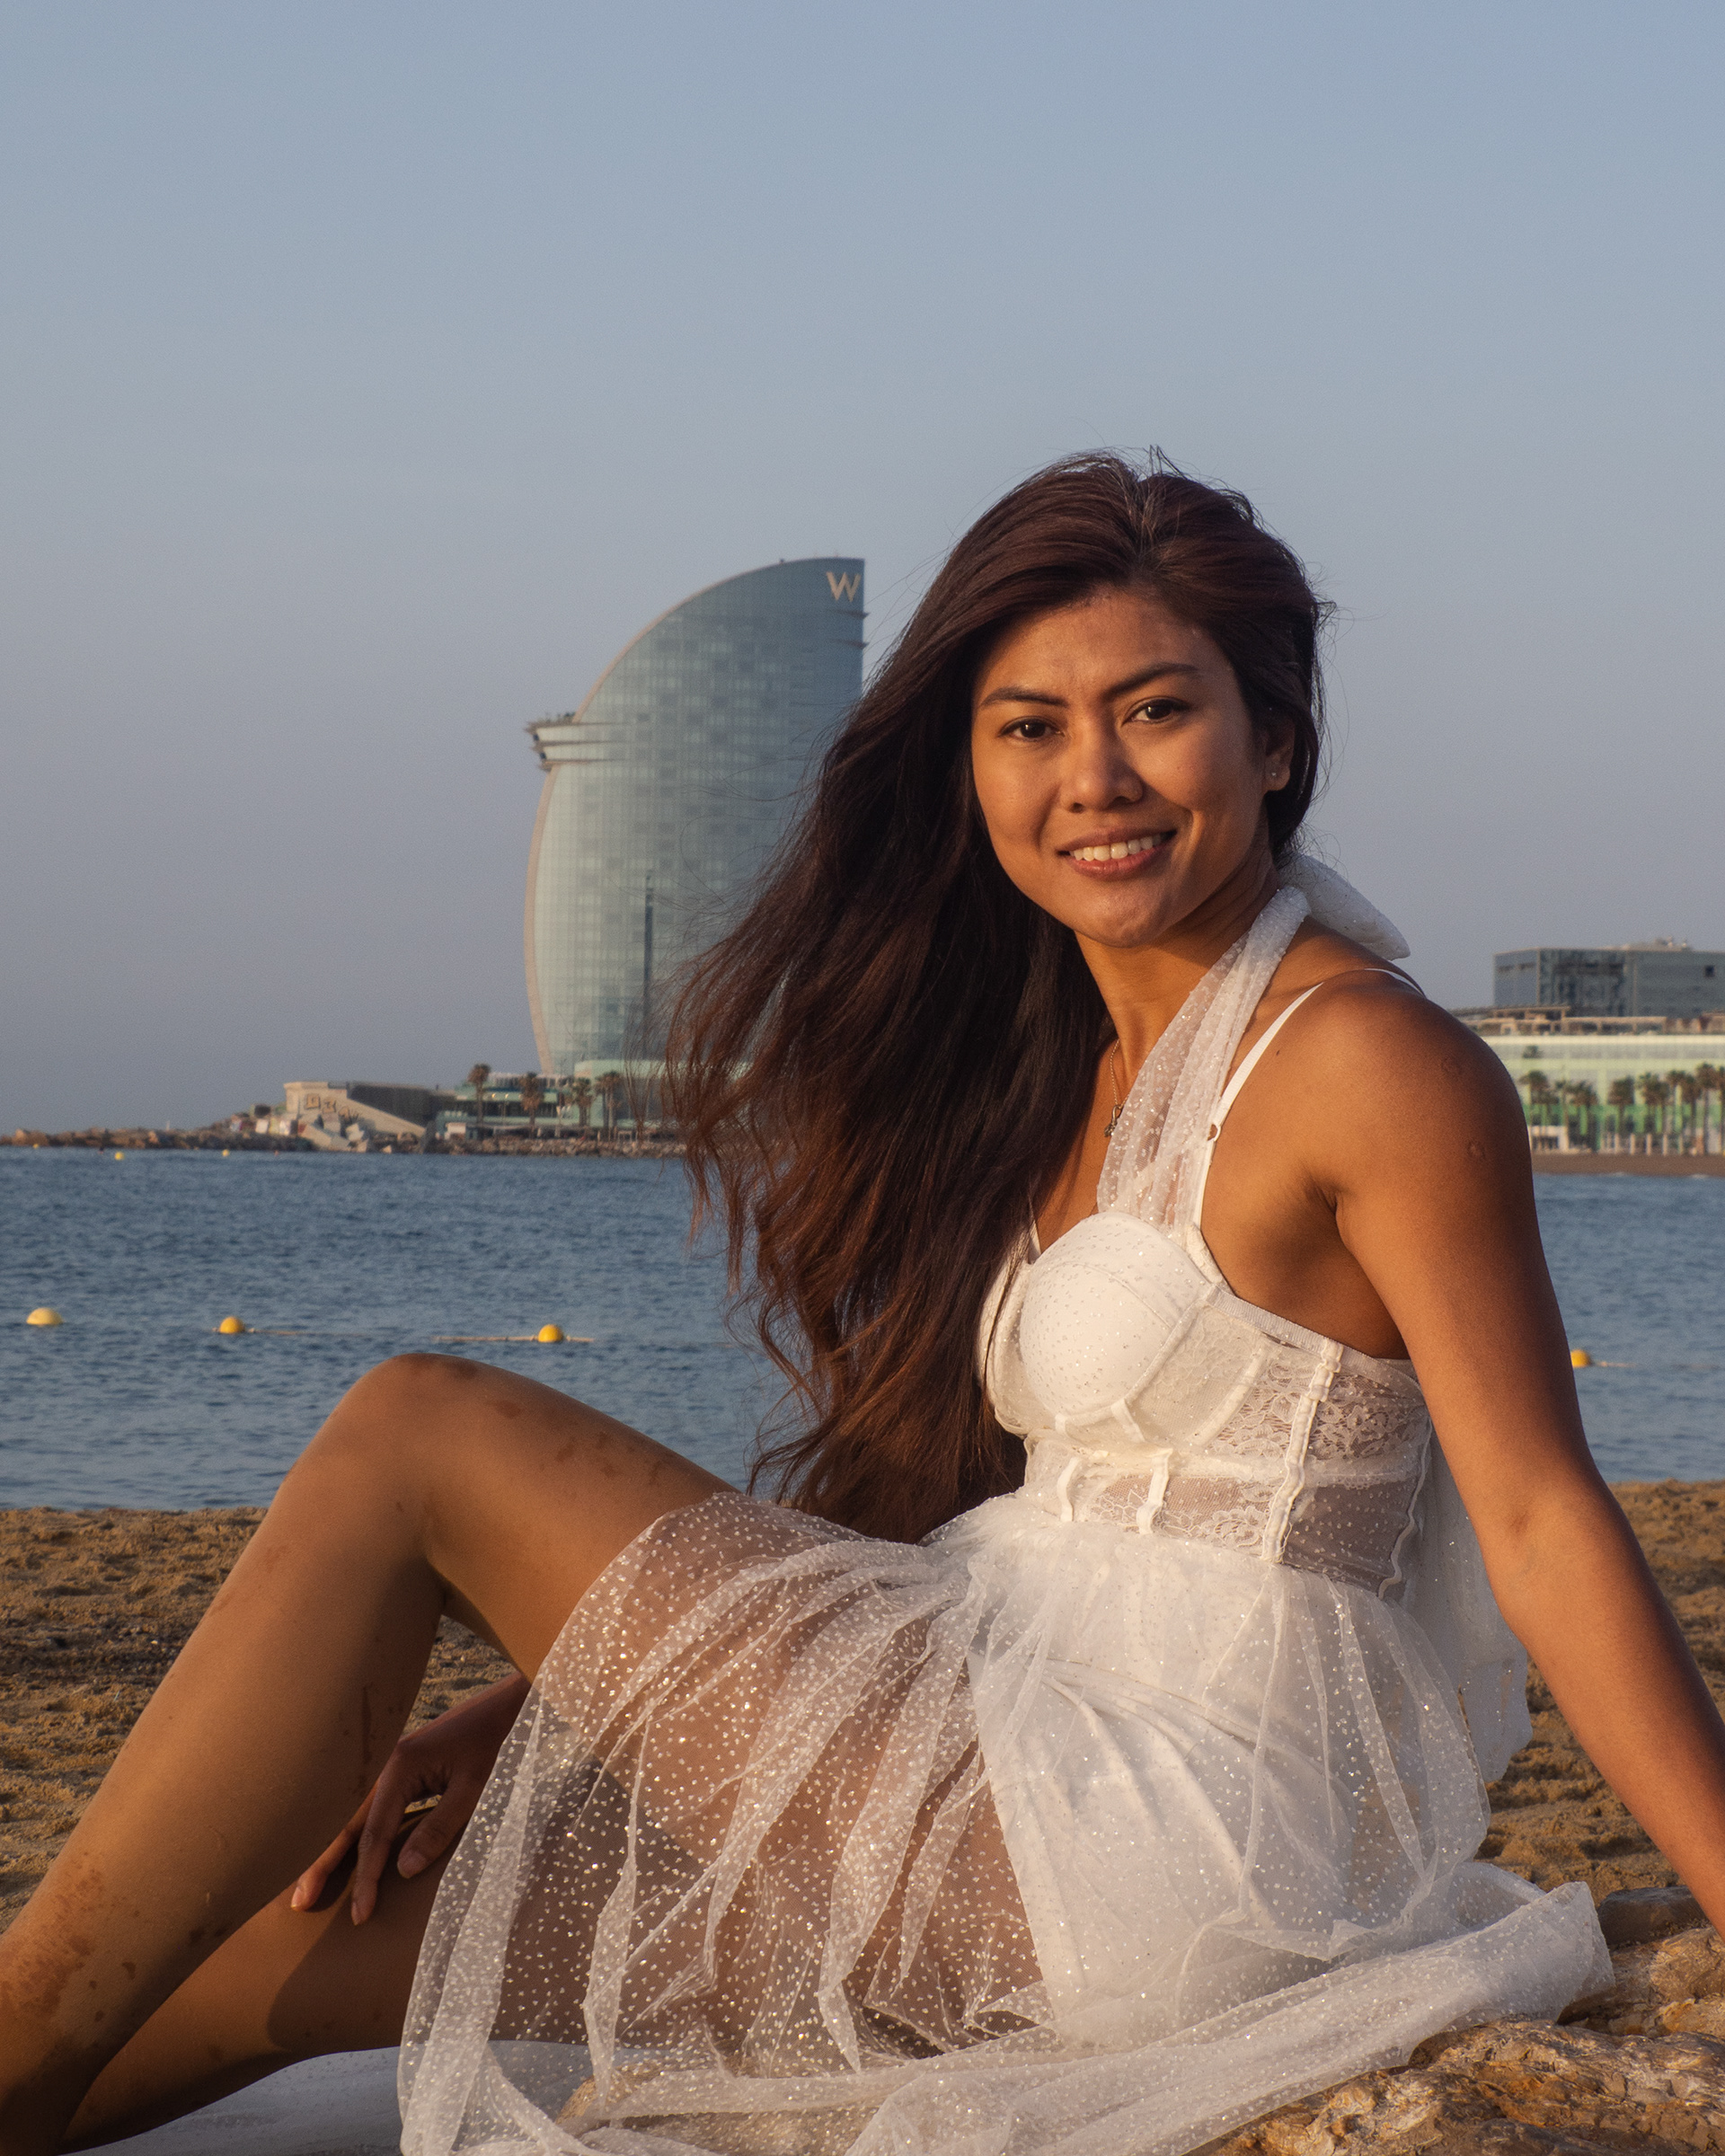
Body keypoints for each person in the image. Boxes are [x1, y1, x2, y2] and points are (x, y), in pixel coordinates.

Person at [4, 455, 1723, 2156]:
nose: (1095, 777)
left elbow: (1539, 1514)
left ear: (1272, 741)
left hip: (1157, 1845)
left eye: (1154, 710)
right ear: (969, 771)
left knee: (421, 1426)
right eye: (1030, 727)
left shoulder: (1363, 1059)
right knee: (278, 1967)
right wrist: (547, 1695)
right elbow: (997, 1526)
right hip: (999, 1763)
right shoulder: (1088, 1073)